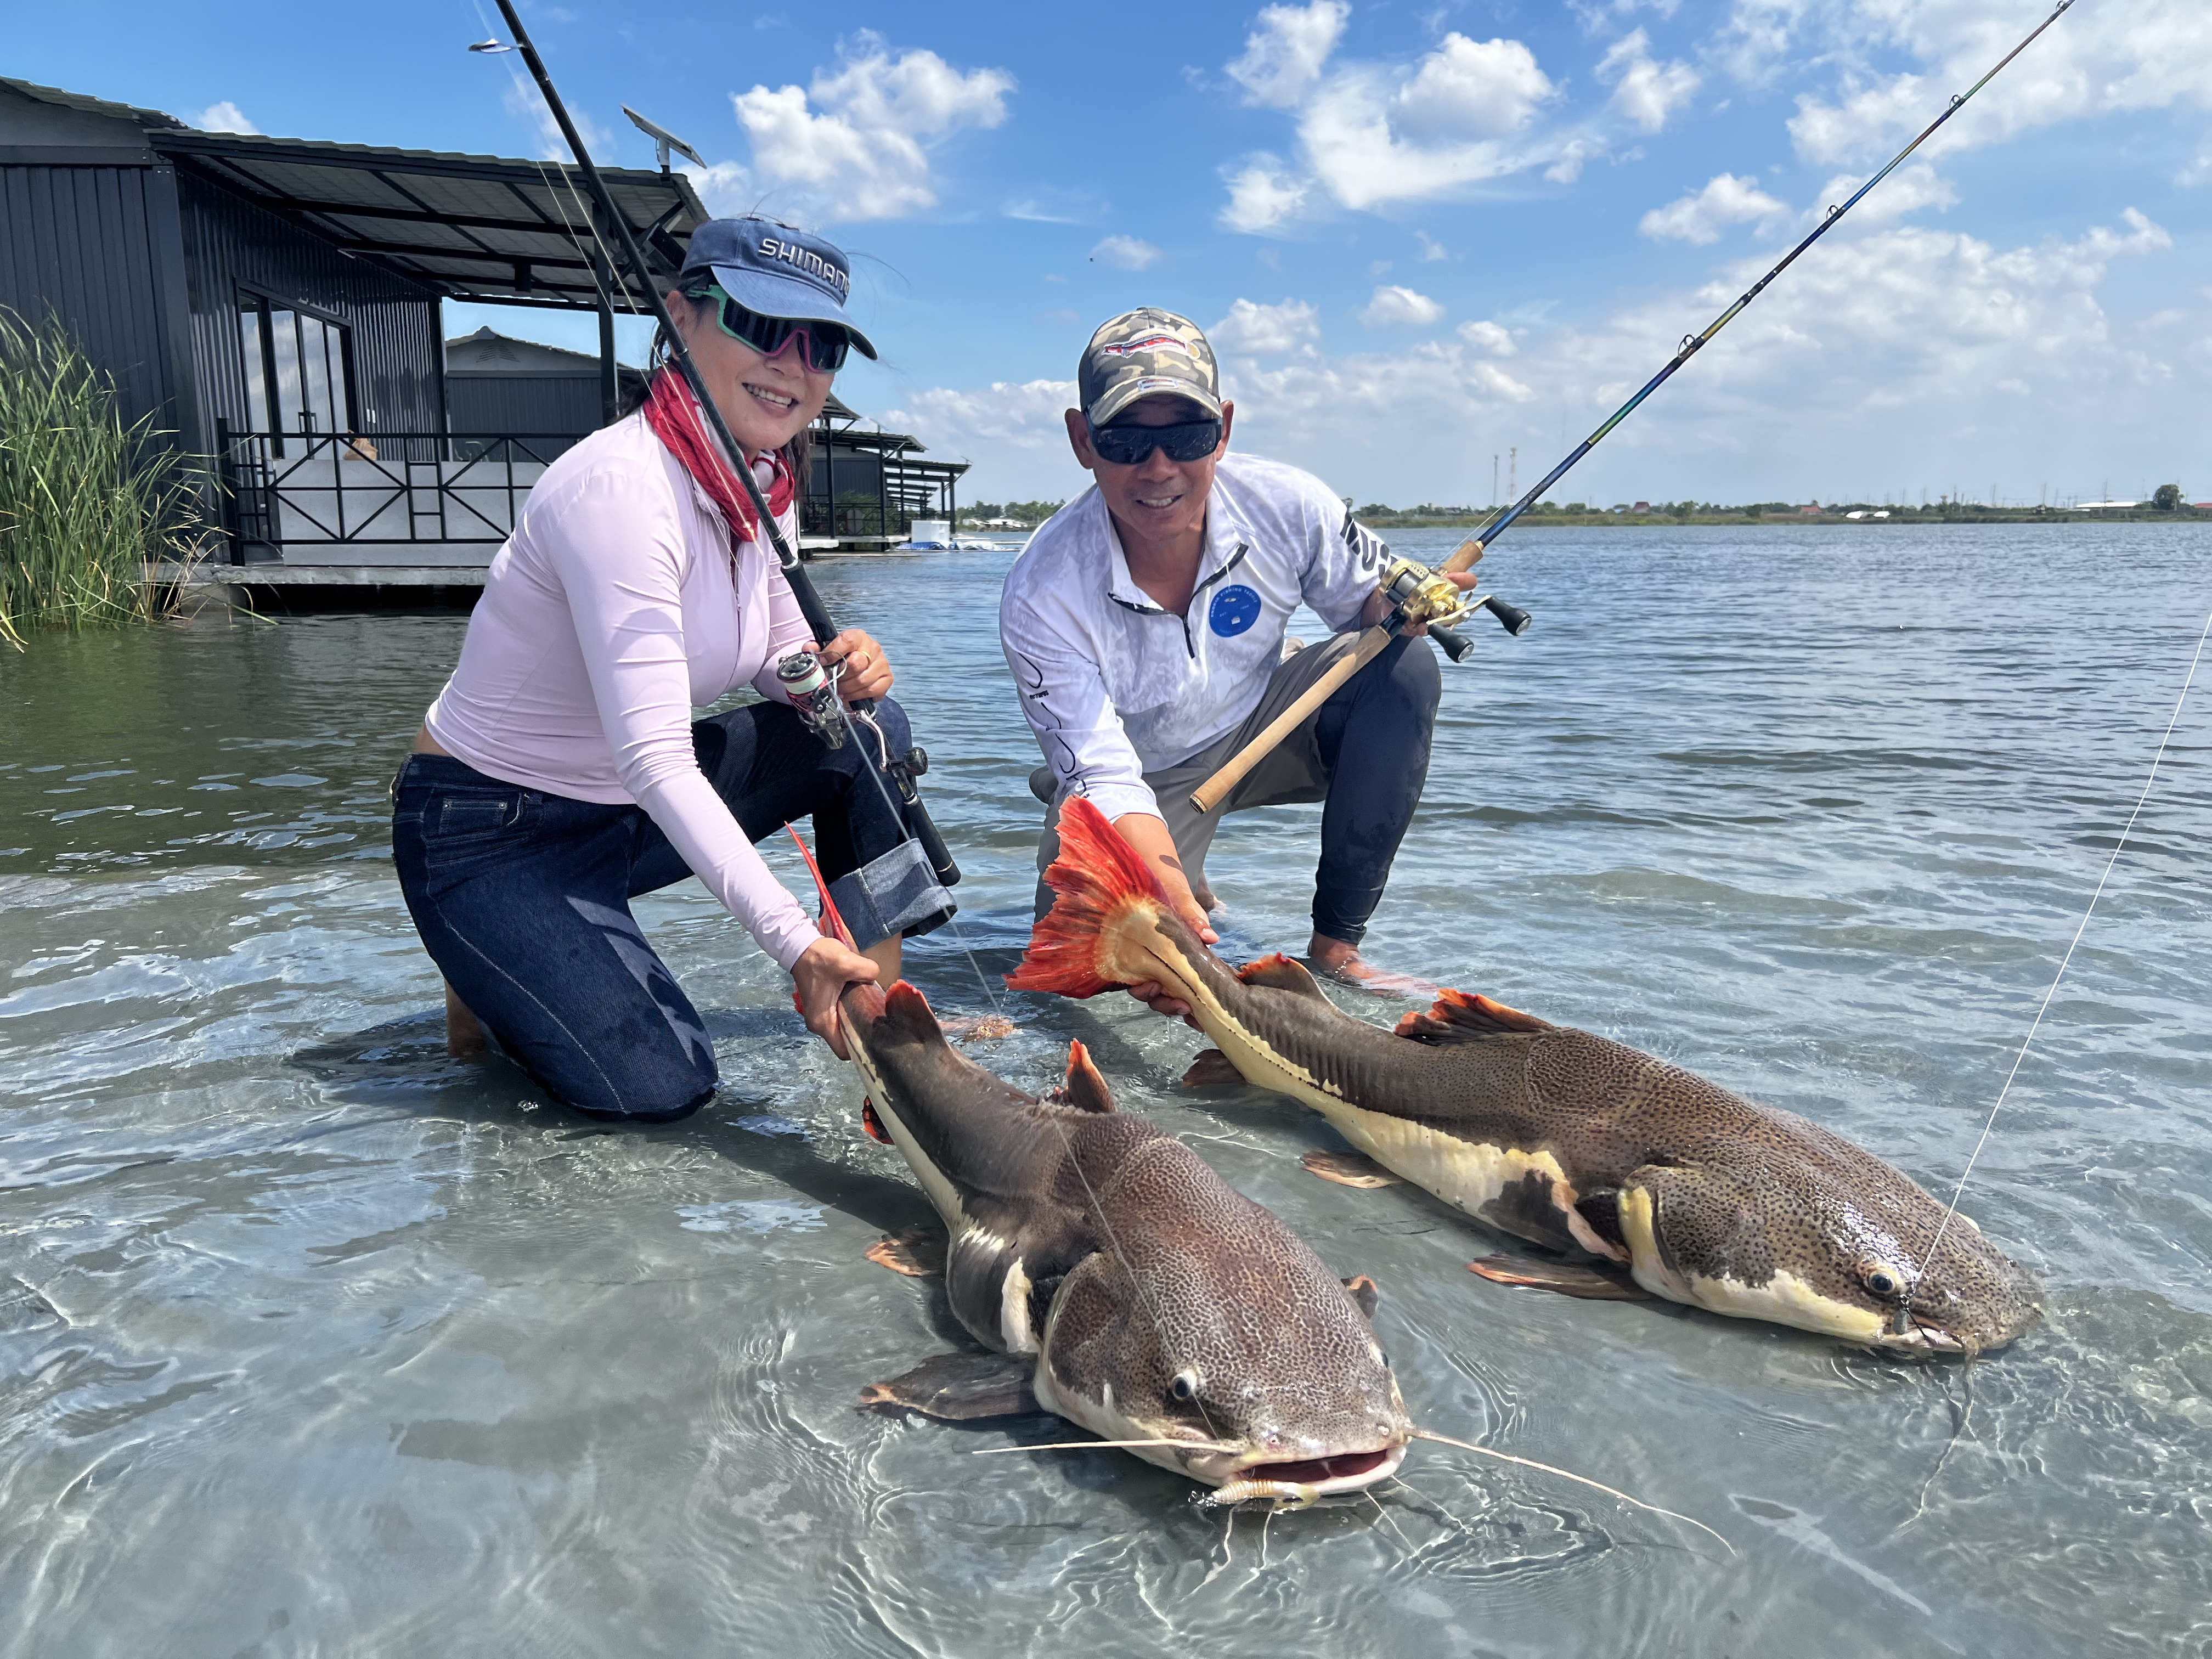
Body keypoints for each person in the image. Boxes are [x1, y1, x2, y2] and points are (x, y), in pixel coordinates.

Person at [392, 217, 949, 1123]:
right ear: (683, 318)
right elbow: (656, 758)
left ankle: (886, 1025)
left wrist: (830, 674)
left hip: (619, 813)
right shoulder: (619, 490)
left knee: (866, 732)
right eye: (763, 328)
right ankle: (486, 964)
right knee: (666, 1089)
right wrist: (794, 943)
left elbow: (775, 658)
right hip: (492, 829)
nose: (794, 364)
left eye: (824, 346)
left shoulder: (763, 480)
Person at [999, 308, 1475, 1013]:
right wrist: (1164, 901)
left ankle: (1338, 947)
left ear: (1222, 428)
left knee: (1403, 668)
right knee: (1087, 980)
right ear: (1082, 440)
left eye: (1187, 436)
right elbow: (1107, 773)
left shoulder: (1292, 504)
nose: (1158, 468)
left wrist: (1406, 606)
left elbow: (1365, 612)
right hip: (1137, 772)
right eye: (1126, 440)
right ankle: (1135, 839)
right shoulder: (1040, 591)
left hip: (1264, 725)